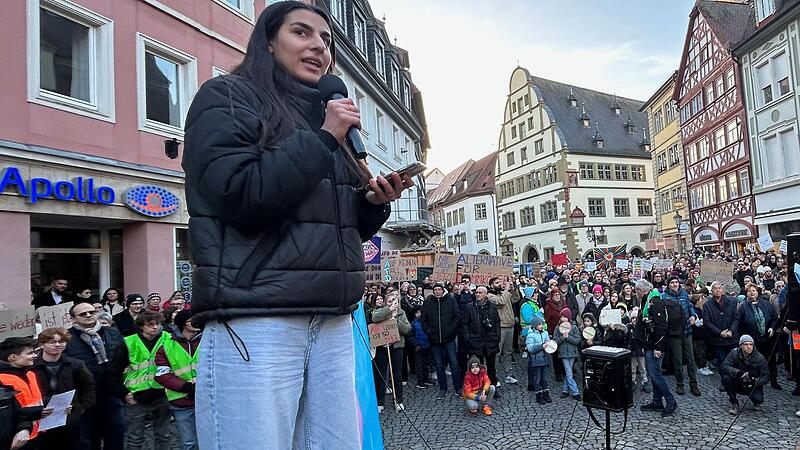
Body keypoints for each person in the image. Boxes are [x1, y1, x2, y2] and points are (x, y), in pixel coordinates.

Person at [182, 3, 412, 447]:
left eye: (326, 39)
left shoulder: (324, 119)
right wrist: (323, 138)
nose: (319, 47)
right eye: (302, 33)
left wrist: (370, 205)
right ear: (268, 42)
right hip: (257, 316)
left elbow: (326, 228)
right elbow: (241, 197)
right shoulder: (226, 96)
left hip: (331, 319)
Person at [64, 301, 124, 450]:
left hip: (111, 392)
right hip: (83, 395)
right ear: (73, 318)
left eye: (91, 312)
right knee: (86, 437)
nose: (88, 315)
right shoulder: (66, 338)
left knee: (116, 432)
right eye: (83, 314)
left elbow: (122, 358)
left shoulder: (112, 332)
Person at [110, 311, 170, 450]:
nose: (155, 327)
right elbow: (114, 371)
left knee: (163, 435)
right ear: (141, 326)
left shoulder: (168, 338)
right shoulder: (129, 342)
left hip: (162, 394)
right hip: (136, 396)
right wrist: (124, 394)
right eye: (150, 324)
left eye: (157, 324)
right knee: (135, 438)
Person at [33, 327, 96, 450]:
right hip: (40, 418)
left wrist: (80, 408)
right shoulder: (31, 366)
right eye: (52, 342)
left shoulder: (76, 364)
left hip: (69, 419)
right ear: (42, 344)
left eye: (61, 341)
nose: (57, 345)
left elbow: (88, 386)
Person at [155, 310, 202, 450]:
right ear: (183, 324)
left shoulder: (207, 341)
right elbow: (162, 375)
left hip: (207, 400)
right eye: (192, 320)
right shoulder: (166, 346)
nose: (197, 323)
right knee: (189, 443)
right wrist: (186, 387)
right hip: (182, 401)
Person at [634, 279, 677, 417]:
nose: (635, 293)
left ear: (641, 290)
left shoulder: (655, 302)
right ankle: (657, 401)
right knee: (654, 374)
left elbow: (661, 326)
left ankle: (671, 401)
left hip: (655, 345)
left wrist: (658, 347)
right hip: (649, 343)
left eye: (636, 290)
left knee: (655, 375)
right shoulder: (647, 300)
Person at [732, 284, 781, 389]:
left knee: (771, 360)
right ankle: (754, 381)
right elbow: (738, 321)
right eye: (749, 291)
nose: (752, 293)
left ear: (757, 292)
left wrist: (772, 328)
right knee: (754, 361)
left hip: (768, 338)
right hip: (753, 339)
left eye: (753, 290)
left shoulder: (766, 304)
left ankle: (773, 380)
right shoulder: (743, 307)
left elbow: (774, 318)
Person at [0, 337, 45, 449]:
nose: (34, 355)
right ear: (12, 357)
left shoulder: (30, 374)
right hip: (15, 436)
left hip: (35, 432)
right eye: (29, 353)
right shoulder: (2, 379)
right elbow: (9, 412)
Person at [372, 292, 411, 413]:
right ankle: (380, 402)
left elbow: (407, 329)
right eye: (389, 301)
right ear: (385, 303)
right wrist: (389, 310)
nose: (392, 303)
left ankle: (398, 400)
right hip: (382, 347)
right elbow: (375, 318)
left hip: (397, 347)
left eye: (394, 301)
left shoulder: (401, 313)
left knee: (397, 375)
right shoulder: (380, 311)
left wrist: (395, 321)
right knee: (380, 375)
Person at [422, 283, 463, 399]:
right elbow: (423, 320)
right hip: (434, 339)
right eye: (435, 290)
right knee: (439, 365)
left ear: (443, 290)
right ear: (433, 291)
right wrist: (429, 332)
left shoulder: (450, 300)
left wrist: (451, 330)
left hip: (449, 338)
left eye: (439, 289)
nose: (437, 291)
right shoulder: (428, 303)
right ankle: (443, 388)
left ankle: (458, 388)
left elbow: (457, 316)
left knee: (454, 364)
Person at [662, 276, 701, 396]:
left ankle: (694, 384)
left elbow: (690, 307)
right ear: (668, 285)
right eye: (672, 282)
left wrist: (693, 315)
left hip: (687, 330)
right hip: (674, 333)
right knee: (677, 360)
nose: (675, 284)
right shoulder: (664, 297)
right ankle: (680, 383)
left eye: (676, 282)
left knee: (690, 359)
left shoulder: (684, 294)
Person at [461, 286, 501, 387]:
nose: (478, 294)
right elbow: (465, 324)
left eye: (480, 292)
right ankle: (477, 387)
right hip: (475, 341)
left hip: (490, 340)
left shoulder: (492, 307)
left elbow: (497, 322)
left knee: (491, 367)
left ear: (486, 294)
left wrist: (497, 336)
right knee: (476, 367)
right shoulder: (469, 307)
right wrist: (468, 338)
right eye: (477, 292)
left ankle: (492, 386)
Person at [720, 335, 768, 414]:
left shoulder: (759, 358)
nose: (749, 347)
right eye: (746, 344)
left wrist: (754, 381)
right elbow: (724, 366)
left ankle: (755, 402)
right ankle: (734, 403)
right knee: (726, 378)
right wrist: (738, 373)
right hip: (738, 381)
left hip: (752, 384)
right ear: (741, 345)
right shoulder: (734, 353)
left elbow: (766, 376)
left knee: (759, 399)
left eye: (751, 344)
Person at [487, 277, 519, 385]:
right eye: (497, 283)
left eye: (500, 282)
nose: (500, 284)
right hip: (500, 327)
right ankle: (493, 375)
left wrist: (513, 288)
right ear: (491, 285)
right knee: (497, 353)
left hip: (510, 325)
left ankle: (508, 374)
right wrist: (506, 290)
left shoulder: (503, 293)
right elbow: (501, 302)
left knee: (508, 352)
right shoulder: (490, 296)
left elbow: (515, 299)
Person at [702, 281, 739, 375]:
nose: (718, 290)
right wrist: (720, 332)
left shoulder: (732, 301)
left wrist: (731, 330)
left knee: (734, 362)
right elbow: (707, 322)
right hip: (717, 340)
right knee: (722, 362)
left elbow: (736, 318)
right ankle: (725, 380)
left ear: (722, 290)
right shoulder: (707, 305)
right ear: (711, 291)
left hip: (732, 338)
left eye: (719, 288)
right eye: (715, 288)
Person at [554, 308, 581, 400]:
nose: (563, 319)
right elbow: (555, 341)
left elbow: (577, 340)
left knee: (568, 372)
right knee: (569, 373)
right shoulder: (557, 328)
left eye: (565, 317)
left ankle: (565, 390)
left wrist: (568, 337)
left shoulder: (574, 327)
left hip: (572, 353)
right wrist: (562, 338)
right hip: (563, 354)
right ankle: (575, 392)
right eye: (562, 317)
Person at [526, 316, 551, 404]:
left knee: (544, 378)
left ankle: (546, 393)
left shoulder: (545, 333)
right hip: (536, 360)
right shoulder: (531, 335)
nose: (541, 326)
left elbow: (548, 342)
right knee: (537, 378)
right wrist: (542, 346)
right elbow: (530, 349)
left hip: (544, 359)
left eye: (542, 324)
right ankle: (539, 395)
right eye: (540, 324)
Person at [407, 308, 432, 389]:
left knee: (426, 364)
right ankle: (420, 381)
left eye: (420, 312)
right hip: (418, 347)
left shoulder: (427, 322)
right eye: (417, 312)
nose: (419, 314)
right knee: (419, 365)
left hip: (427, 346)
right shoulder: (414, 323)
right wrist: (415, 345)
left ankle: (426, 378)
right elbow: (410, 336)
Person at [628, 308, 650, 393]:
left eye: (636, 318)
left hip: (640, 349)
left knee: (642, 367)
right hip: (632, 350)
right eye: (633, 318)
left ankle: (645, 380)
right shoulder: (628, 327)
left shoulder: (641, 327)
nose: (634, 320)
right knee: (632, 367)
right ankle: (632, 381)